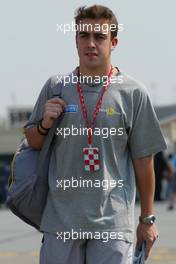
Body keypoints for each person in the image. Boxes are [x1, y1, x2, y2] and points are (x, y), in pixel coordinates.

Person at [24, 5, 167, 264]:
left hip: (112, 225)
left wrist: (147, 220)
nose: (91, 43)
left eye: (99, 37)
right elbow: (33, 142)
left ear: (113, 42)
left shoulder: (133, 93)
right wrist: (45, 123)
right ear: (75, 40)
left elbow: (144, 162)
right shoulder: (56, 87)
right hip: (61, 224)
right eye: (84, 36)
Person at [168, 141, 176, 210]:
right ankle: (171, 204)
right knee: (175, 190)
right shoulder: (175, 156)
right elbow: (172, 166)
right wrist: (172, 174)